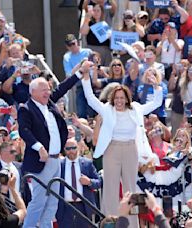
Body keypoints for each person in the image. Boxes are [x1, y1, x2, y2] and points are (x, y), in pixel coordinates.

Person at [80, 60, 163, 228]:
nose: (119, 101)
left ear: (127, 98)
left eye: (122, 98)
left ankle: (133, 225)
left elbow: (156, 103)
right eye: (116, 98)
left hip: (131, 149)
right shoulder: (106, 109)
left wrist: (156, 86)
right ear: (112, 99)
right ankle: (109, 223)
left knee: (131, 187)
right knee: (110, 187)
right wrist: (87, 77)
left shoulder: (136, 109)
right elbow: (90, 98)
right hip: (112, 148)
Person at [18, 73, 81, 228]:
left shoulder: (49, 104)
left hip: (55, 159)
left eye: (48, 89)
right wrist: (39, 147)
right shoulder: (26, 109)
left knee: (53, 201)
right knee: (39, 201)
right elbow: (24, 131)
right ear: (33, 92)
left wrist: (79, 73)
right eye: (43, 90)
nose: (47, 92)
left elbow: (63, 87)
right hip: (41, 161)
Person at [56, 138, 102, 228]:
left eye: (73, 148)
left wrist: (89, 182)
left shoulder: (87, 163)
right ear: (64, 150)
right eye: (68, 149)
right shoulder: (59, 165)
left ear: (78, 147)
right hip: (65, 208)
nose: (71, 151)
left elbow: (99, 182)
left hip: (84, 207)